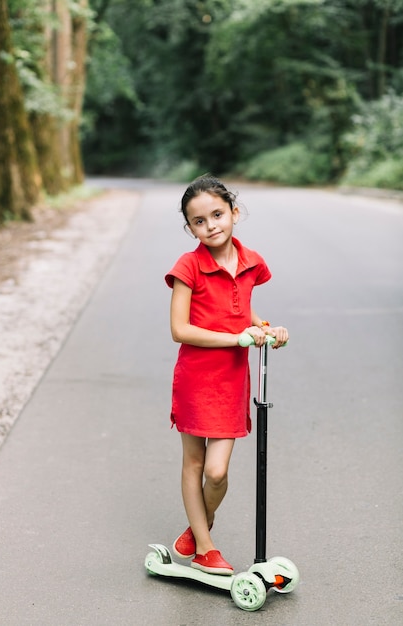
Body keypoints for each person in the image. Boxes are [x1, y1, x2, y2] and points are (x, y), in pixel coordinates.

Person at [164, 175, 288, 575]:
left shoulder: (251, 261)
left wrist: (265, 329)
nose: (211, 225)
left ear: (234, 213)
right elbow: (179, 329)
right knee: (195, 464)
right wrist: (236, 339)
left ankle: (200, 524)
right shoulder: (188, 266)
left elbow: (243, 308)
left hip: (232, 380)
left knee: (218, 473)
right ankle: (205, 547)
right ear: (190, 228)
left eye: (217, 214)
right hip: (196, 377)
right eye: (199, 221)